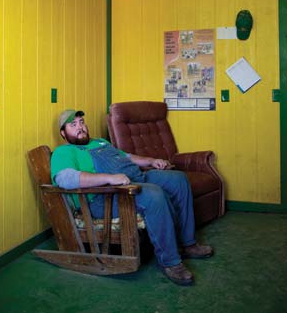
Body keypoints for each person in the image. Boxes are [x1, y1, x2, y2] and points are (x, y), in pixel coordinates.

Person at [51, 109, 213, 286]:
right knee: (153, 195)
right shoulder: (64, 152)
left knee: (179, 180)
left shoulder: (100, 142)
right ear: (63, 133)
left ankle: (187, 243)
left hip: (134, 178)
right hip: (104, 197)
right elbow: (64, 178)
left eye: (81, 122)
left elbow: (127, 158)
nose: (80, 127)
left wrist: (151, 161)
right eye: (73, 125)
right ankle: (171, 262)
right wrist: (109, 178)